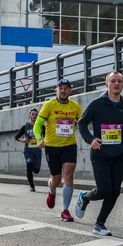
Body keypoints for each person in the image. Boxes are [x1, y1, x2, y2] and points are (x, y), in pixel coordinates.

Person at [75, 71, 123, 236]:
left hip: (119, 154)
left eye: (119, 81)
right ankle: (85, 197)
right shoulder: (97, 104)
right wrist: (91, 139)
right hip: (100, 153)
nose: (116, 84)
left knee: (115, 191)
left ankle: (100, 224)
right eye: (113, 81)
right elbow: (82, 123)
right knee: (104, 190)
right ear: (107, 84)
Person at [34, 78, 82, 222]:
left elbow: (82, 123)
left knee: (69, 174)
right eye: (60, 88)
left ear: (70, 91)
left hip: (69, 145)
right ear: (56, 90)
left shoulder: (75, 106)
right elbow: (38, 124)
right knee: (56, 178)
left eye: (66, 88)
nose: (63, 90)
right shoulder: (49, 105)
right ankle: (51, 188)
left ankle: (65, 210)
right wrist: (39, 139)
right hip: (52, 146)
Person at [15, 108, 45, 192]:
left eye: (36, 114)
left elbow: (47, 136)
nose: (34, 116)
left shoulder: (41, 126)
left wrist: (44, 141)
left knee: (36, 170)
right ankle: (32, 186)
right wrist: (23, 140)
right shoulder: (25, 126)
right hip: (28, 151)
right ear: (29, 115)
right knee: (29, 166)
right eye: (33, 114)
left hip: (37, 151)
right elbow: (16, 137)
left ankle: (32, 169)